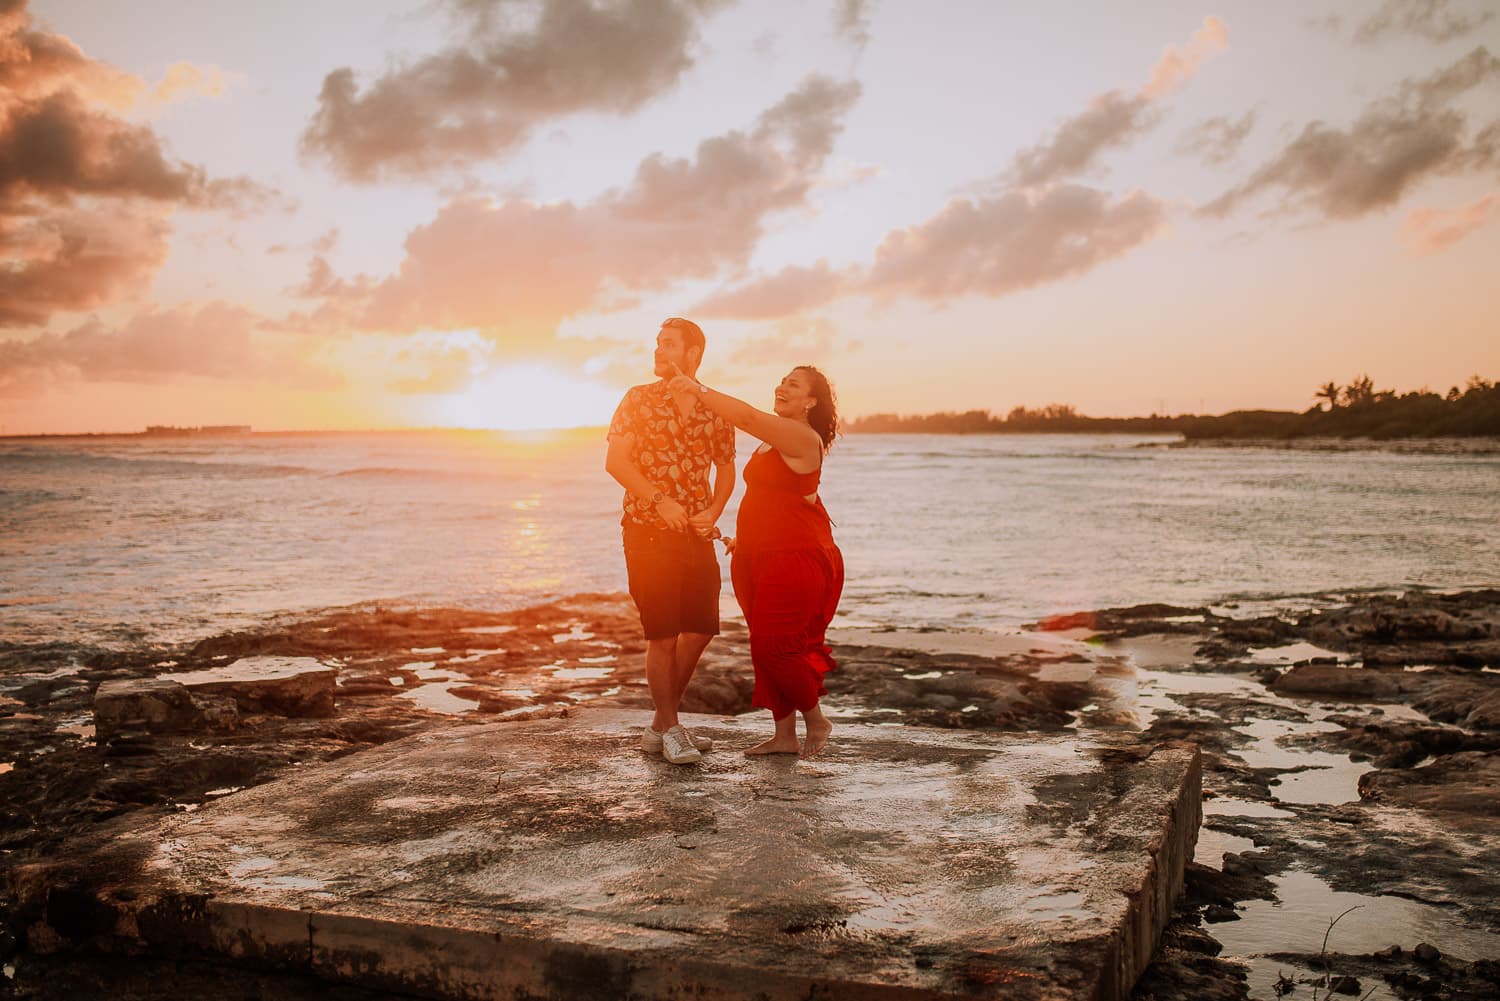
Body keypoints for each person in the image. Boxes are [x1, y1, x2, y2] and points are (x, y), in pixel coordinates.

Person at [665, 362, 843, 759]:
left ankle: (816, 719)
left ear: (810, 401)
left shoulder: (800, 436)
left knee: (775, 647)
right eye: (782, 381)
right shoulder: (774, 440)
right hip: (758, 555)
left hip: (792, 559)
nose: (782, 387)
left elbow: (744, 416)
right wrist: (740, 537)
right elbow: (773, 498)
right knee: (765, 644)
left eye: (793, 385)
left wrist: (698, 389)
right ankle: (784, 736)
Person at [605, 318, 736, 765]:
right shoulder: (638, 399)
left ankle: (661, 725)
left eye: (668, 345)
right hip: (647, 530)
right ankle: (672, 727)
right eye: (657, 343)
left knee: (699, 630)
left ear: (693, 353)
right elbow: (616, 463)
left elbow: (727, 469)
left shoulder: (714, 407)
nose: (658, 351)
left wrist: (714, 511)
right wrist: (659, 500)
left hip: (696, 534)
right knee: (662, 635)